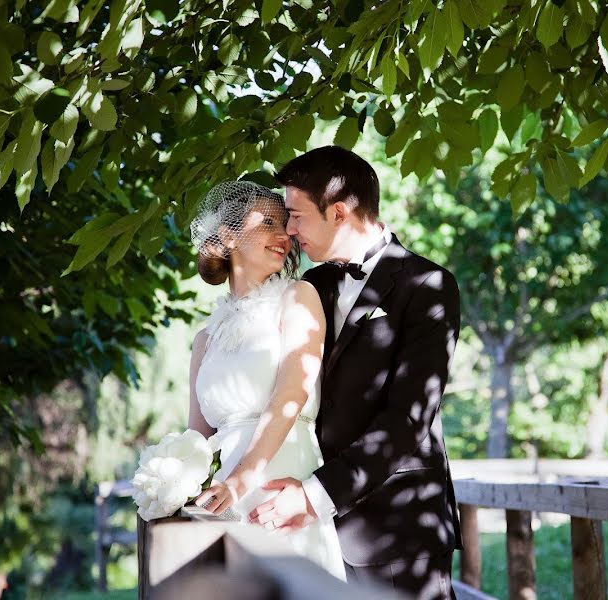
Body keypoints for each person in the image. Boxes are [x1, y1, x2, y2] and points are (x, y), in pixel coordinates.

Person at [247, 146, 463, 600]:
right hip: (312, 535)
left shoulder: (428, 286)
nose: (289, 231)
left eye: (297, 216)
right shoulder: (313, 287)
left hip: (398, 528)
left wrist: (313, 495)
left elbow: (408, 419)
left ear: (340, 212)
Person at [186, 181, 346, 581]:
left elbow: (293, 390)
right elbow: (197, 437)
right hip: (219, 496)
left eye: (288, 225)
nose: (284, 236)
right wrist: (176, 482)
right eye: (269, 223)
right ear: (228, 235)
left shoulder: (298, 297)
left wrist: (243, 478)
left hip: (278, 479)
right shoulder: (204, 339)